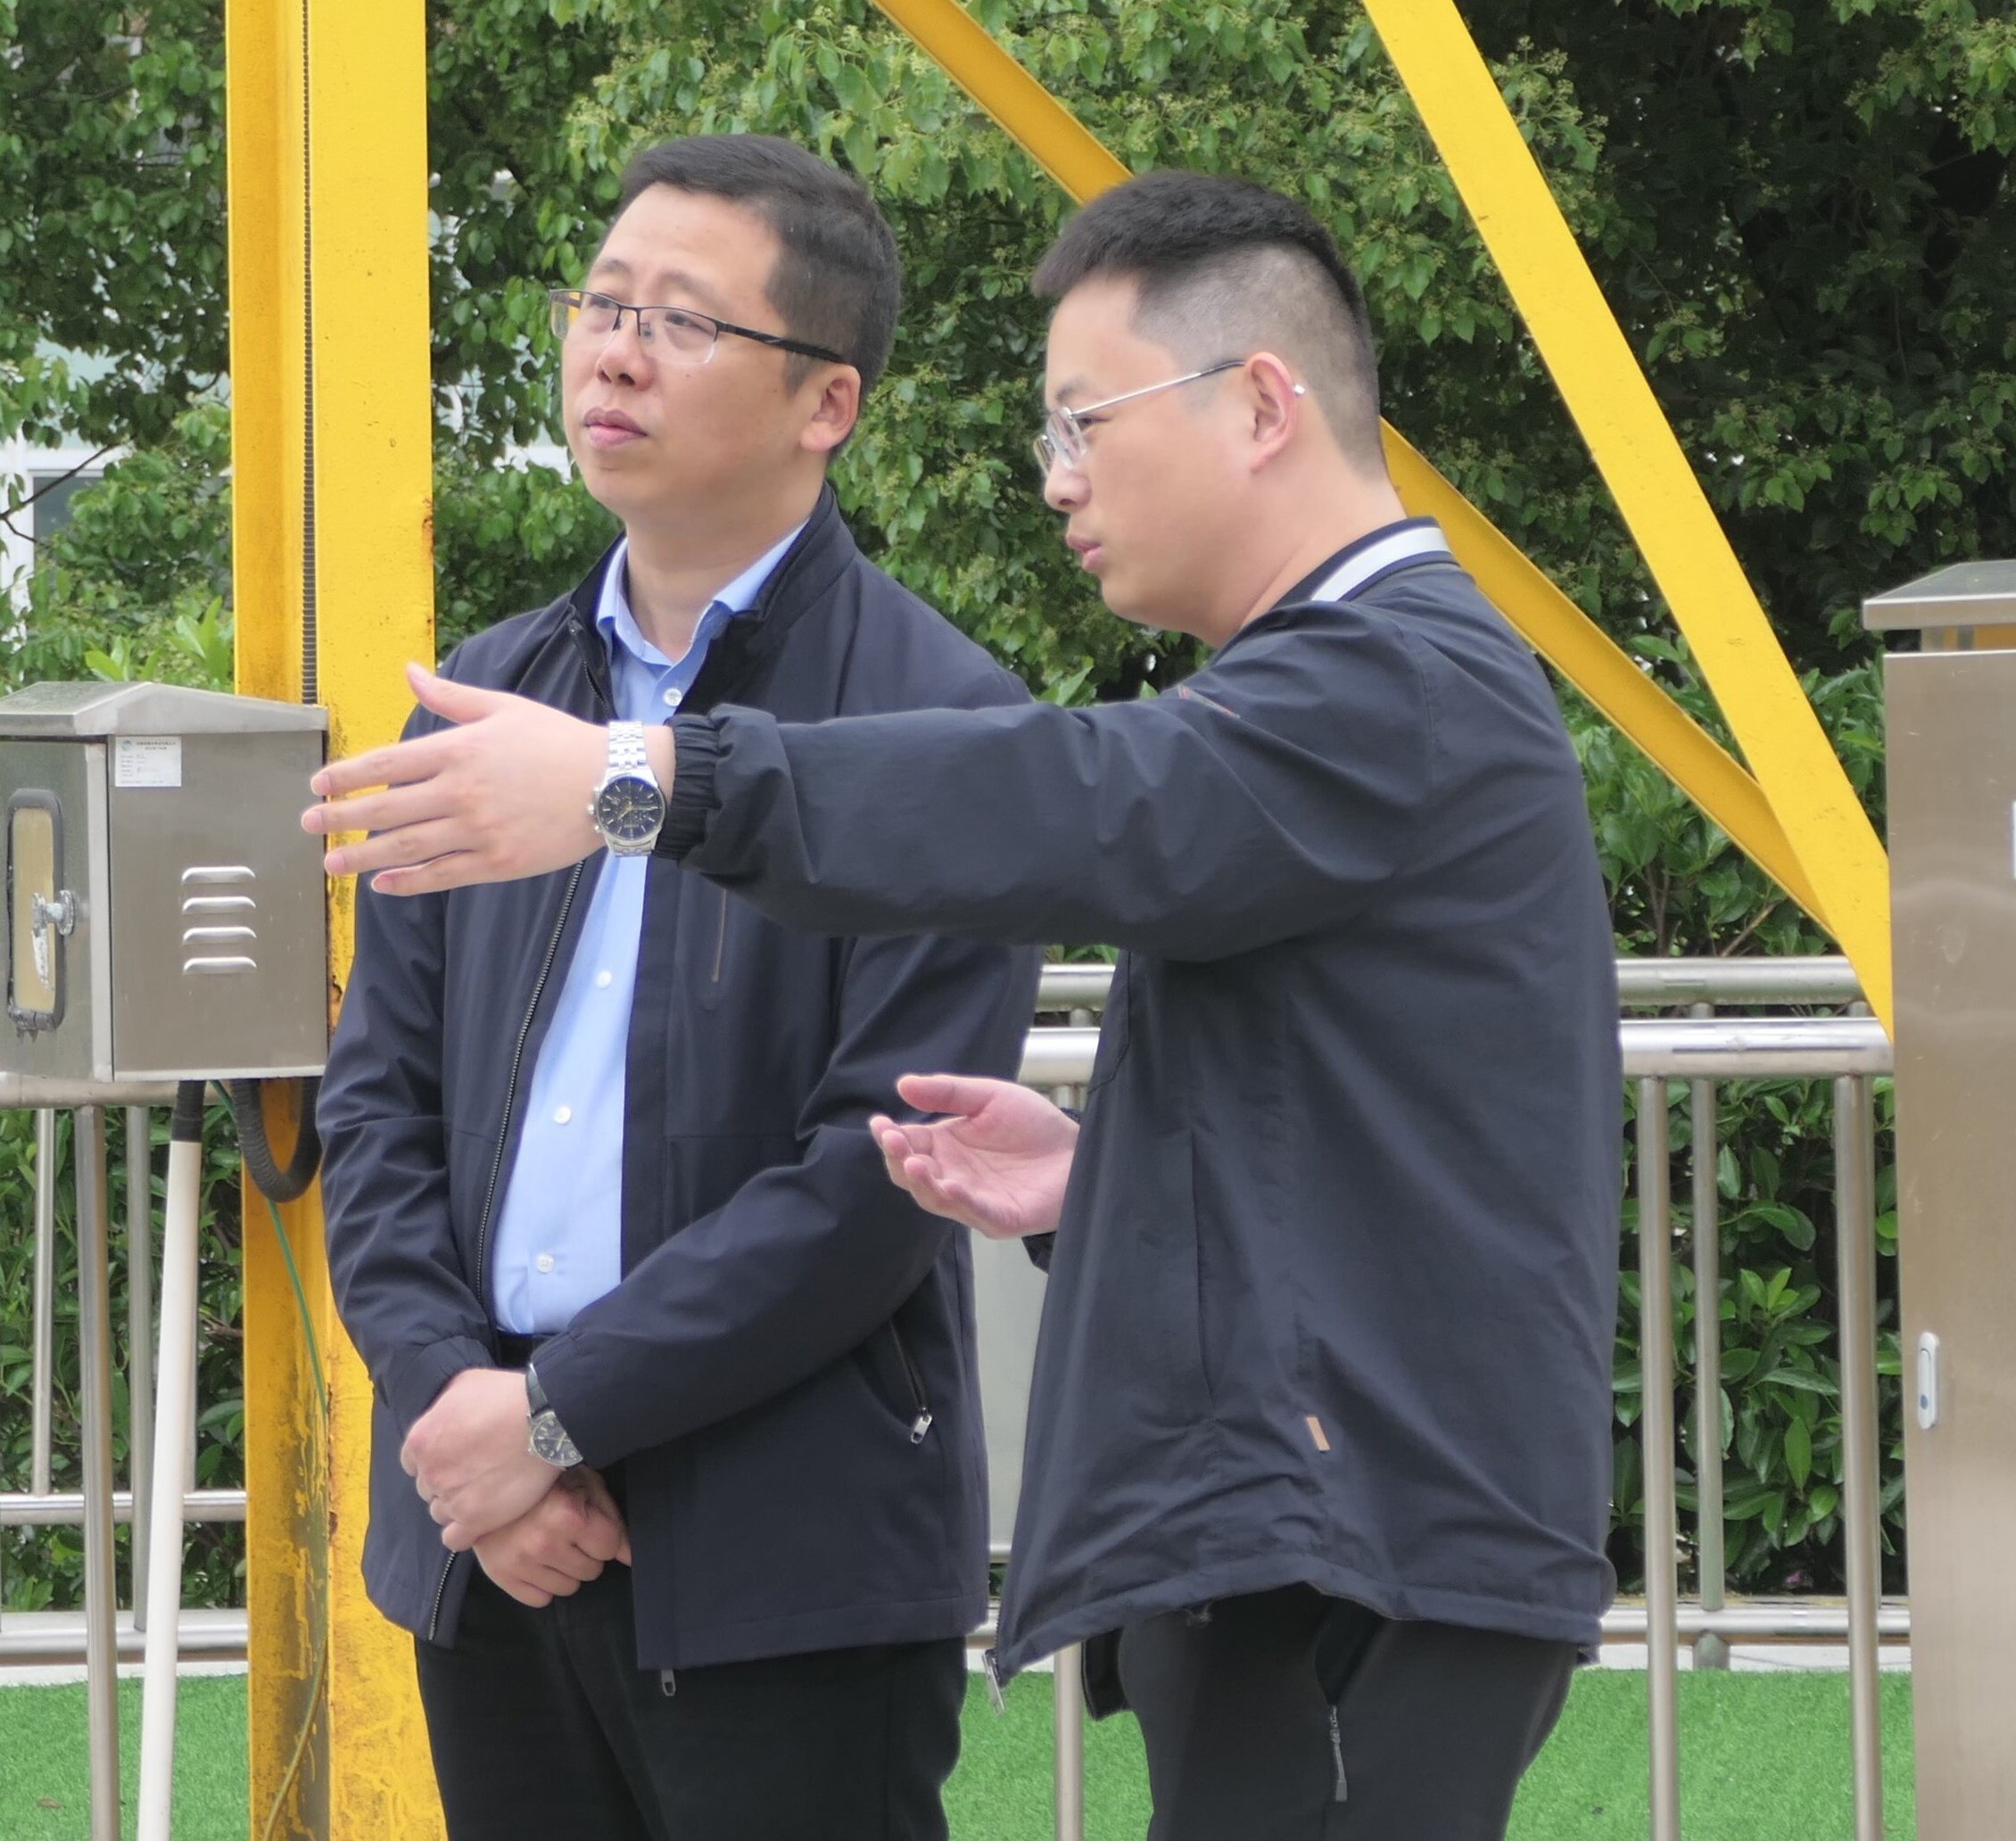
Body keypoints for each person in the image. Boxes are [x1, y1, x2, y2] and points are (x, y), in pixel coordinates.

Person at [307, 169, 1621, 1841]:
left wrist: (642, 783)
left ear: (1260, 405)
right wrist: (1100, 1181)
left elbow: (1080, 802)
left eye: (1085, 423)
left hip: (1354, 1539)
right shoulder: (1346, 684)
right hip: (1322, 1530)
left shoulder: (1389, 679)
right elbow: (1359, 1127)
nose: (1060, 478)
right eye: (602, 305)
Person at [315, 132, 1040, 1841]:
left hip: (784, 1548)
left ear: (828, 403)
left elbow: (876, 1175)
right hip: (494, 1537)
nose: (617, 353)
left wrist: (553, 1418)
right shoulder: (486, 699)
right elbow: (378, 1106)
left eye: (685, 321)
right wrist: (462, 1416)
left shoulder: (942, 726)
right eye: (601, 304)